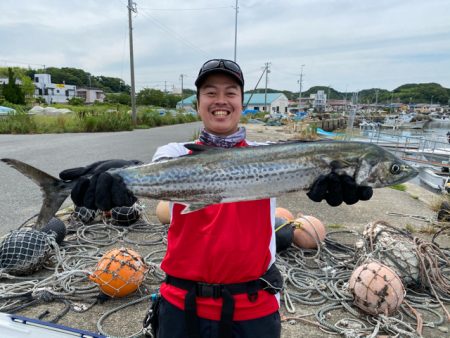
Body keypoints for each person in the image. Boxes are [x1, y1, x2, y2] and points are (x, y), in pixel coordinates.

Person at [61, 58, 373, 338]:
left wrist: (333, 178)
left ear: (241, 102)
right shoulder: (175, 154)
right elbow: (161, 201)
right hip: (181, 305)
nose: (220, 100)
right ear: (198, 103)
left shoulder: (267, 155)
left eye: (230, 92)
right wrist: (125, 177)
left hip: (253, 308)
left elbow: (307, 163)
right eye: (210, 92)